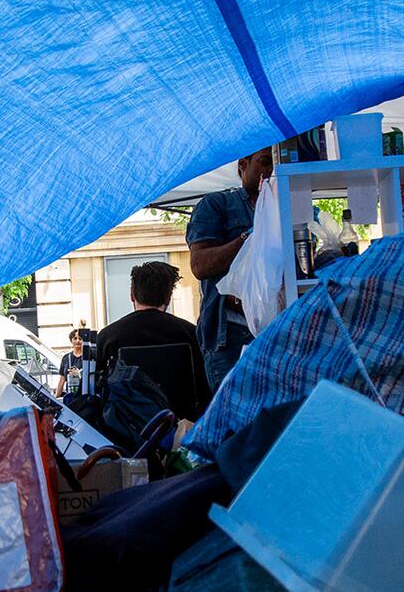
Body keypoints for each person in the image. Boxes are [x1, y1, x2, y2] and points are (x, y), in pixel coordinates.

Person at [187, 148, 273, 391]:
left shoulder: (288, 203)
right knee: (237, 422)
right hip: (233, 335)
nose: (271, 172)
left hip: (279, 332)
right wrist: (251, 237)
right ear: (242, 165)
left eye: (277, 164)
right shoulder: (217, 204)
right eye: (265, 162)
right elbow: (200, 265)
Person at [94, 260, 209, 417]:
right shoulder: (191, 333)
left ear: (132, 295)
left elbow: (95, 390)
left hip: (126, 428)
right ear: (168, 298)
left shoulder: (108, 336)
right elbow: (204, 387)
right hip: (182, 424)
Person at [58, 329, 87, 397]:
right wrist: (55, 397)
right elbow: (62, 380)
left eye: (80, 339)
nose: (77, 341)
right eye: (75, 338)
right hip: (70, 396)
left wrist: (79, 374)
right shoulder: (66, 358)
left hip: (84, 396)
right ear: (71, 340)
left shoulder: (88, 357)